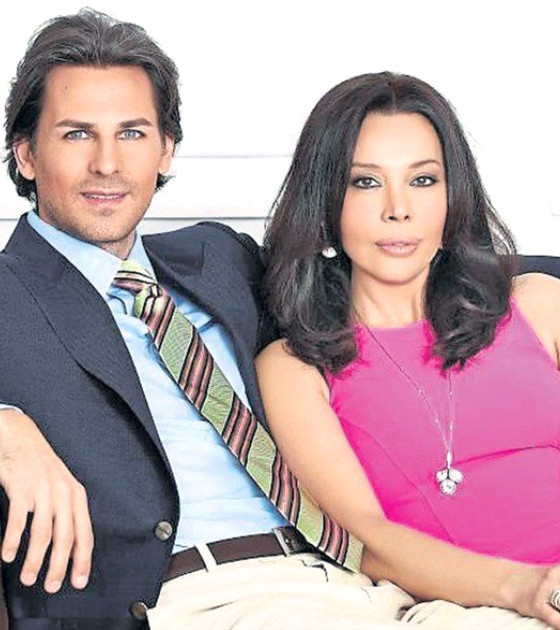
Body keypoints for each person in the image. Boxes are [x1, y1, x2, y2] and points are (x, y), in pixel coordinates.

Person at [0, 11, 449, 630]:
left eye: (132, 133)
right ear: (25, 154)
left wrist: (531, 291)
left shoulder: (218, 259)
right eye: (77, 134)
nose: (107, 163)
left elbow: (376, 274)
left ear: (165, 150)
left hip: (352, 580)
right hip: (192, 598)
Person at [256, 71, 560, 630]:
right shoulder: (295, 369)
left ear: (452, 196)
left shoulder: (540, 306)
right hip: (479, 610)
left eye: (422, 180)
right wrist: (526, 589)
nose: (398, 209)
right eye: (366, 183)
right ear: (325, 203)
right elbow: (364, 540)